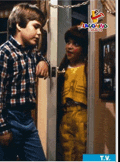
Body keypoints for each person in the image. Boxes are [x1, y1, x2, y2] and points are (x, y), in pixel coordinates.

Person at [0, 3, 49, 161]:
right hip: (9, 119)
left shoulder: (31, 51)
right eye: (35, 27)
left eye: (40, 28)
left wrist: (44, 62)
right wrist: (2, 129)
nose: (39, 33)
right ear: (19, 25)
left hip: (27, 119)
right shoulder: (4, 52)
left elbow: (40, 57)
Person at [57, 25, 88, 161]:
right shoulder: (63, 69)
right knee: (67, 152)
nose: (70, 47)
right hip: (66, 115)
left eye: (75, 44)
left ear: (83, 49)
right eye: (68, 42)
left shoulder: (88, 68)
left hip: (83, 116)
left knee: (82, 151)